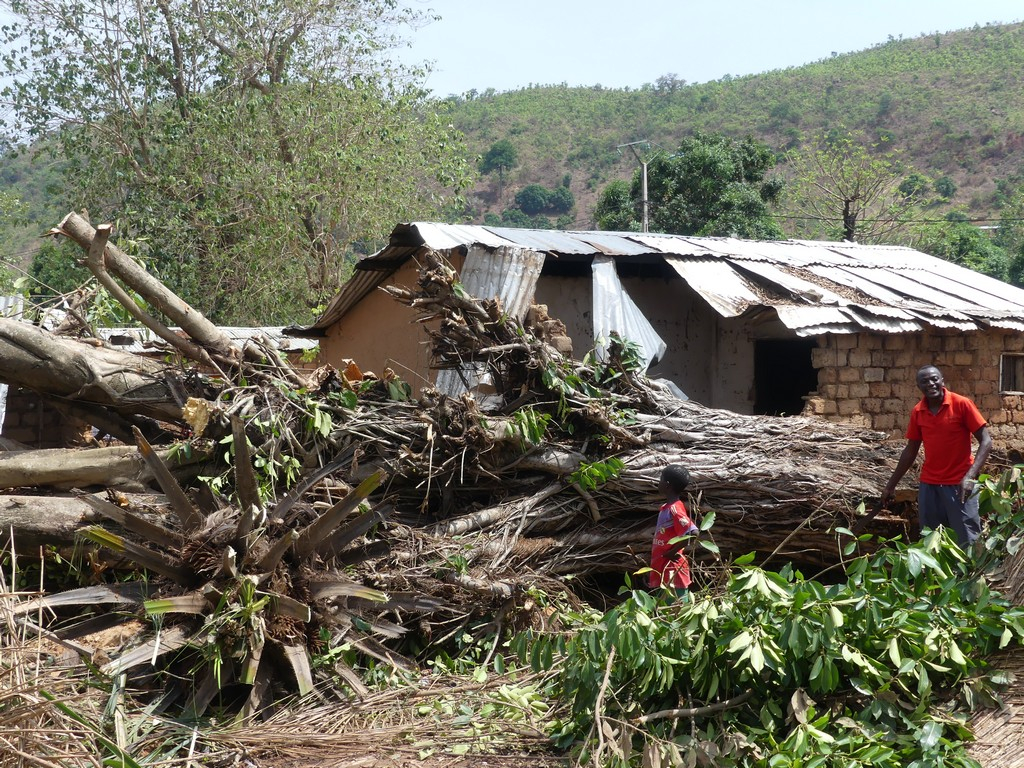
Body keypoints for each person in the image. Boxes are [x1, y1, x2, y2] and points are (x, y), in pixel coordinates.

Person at [882, 364, 993, 546]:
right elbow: (911, 450)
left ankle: (969, 566)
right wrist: (890, 486)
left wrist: (970, 477)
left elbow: (986, 441)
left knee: (967, 541)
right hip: (930, 485)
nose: (931, 384)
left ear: (942, 381)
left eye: (934, 379)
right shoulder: (918, 411)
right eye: (924, 381)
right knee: (931, 541)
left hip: (960, 484)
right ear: (918, 386)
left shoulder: (961, 404)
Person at [650, 464, 699, 599]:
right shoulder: (665, 508)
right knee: (663, 608)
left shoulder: (675, 509)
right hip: (662, 568)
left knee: (675, 609)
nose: (658, 482)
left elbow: (693, 533)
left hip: (672, 571)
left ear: (667, 485)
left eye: (661, 479)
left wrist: (672, 552)